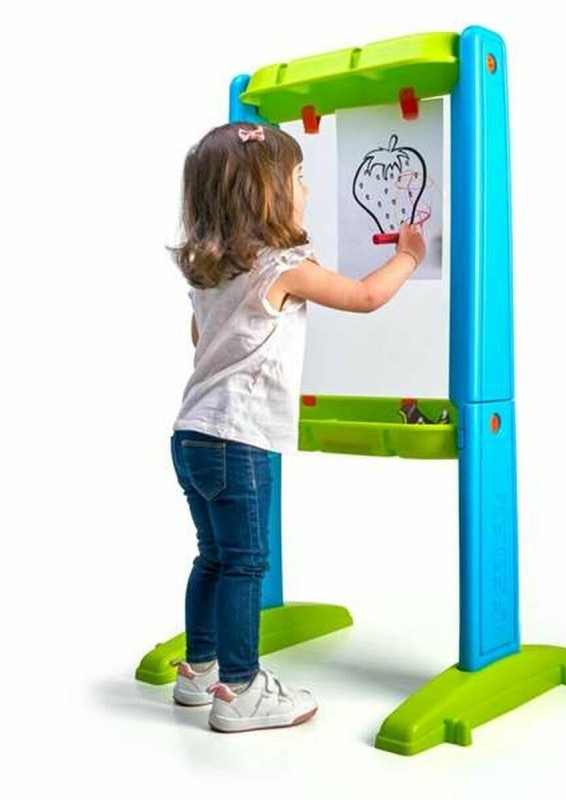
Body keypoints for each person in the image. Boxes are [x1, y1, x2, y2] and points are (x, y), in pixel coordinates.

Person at [167, 121, 426, 733]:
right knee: (245, 562)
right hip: (238, 439)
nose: (307, 189)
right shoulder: (283, 266)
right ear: (266, 194)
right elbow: (364, 297)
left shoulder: (208, 272)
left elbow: (201, 339)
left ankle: (199, 669)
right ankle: (241, 688)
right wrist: (409, 256)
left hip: (191, 434)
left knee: (214, 556)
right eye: (300, 178)